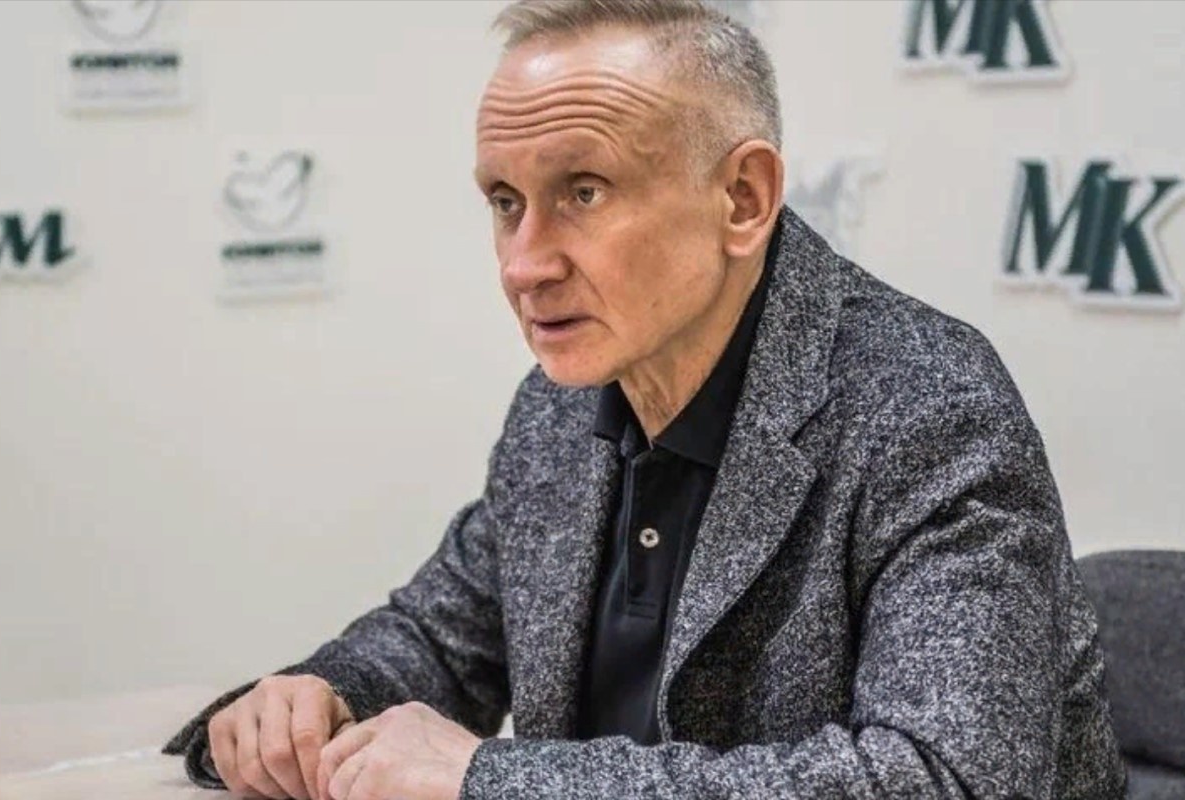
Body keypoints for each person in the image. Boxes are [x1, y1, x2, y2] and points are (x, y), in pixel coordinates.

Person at [166, 1, 1127, 798]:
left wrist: (495, 779)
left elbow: (944, 779)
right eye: (505, 202)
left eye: (584, 192)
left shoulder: (929, 406)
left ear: (743, 198)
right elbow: (441, 640)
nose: (523, 265)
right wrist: (317, 697)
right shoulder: (557, 406)